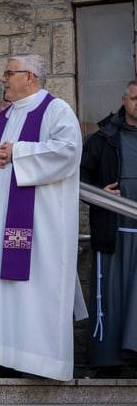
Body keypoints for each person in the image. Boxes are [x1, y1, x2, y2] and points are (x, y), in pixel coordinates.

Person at [0, 54, 83, 380]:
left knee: (36, 288)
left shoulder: (56, 110)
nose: (2, 79)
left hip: (42, 226)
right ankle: (0, 357)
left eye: (8, 73)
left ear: (30, 76)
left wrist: (18, 151)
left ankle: (40, 362)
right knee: (2, 290)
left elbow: (68, 151)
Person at [81, 79, 137, 377]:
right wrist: (101, 191)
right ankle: (108, 362)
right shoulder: (104, 137)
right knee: (111, 297)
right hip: (113, 230)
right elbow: (78, 176)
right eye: (134, 98)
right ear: (124, 99)